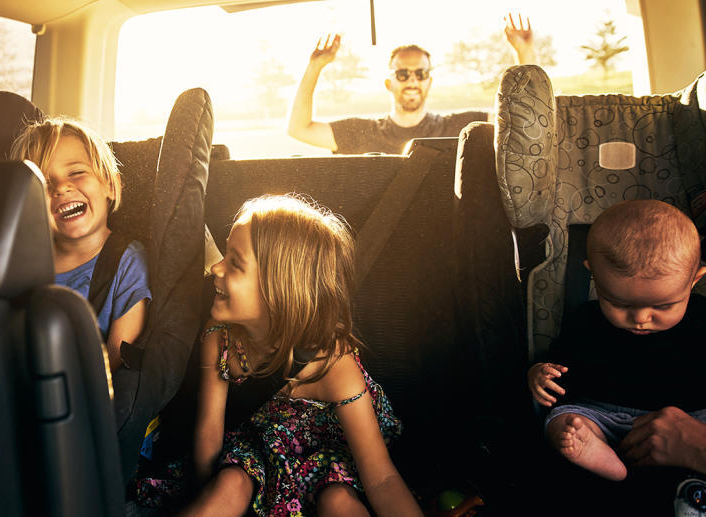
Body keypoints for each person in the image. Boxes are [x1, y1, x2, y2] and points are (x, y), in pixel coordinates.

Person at [179, 194, 422, 516]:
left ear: (278, 291)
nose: (216, 267)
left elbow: (381, 478)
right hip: (261, 448)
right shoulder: (219, 337)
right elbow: (209, 432)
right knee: (230, 484)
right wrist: (204, 493)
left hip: (331, 455)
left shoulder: (333, 363)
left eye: (235, 263)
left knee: (337, 500)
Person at [527, 200, 706, 482]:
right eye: (618, 303)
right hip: (603, 416)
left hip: (690, 420)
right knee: (563, 422)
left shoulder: (701, 321)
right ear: (593, 276)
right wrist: (540, 374)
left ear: (694, 281)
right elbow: (561, 366)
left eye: (663, 306)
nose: (641, 318)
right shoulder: (586, 320)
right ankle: (601, 458)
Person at [10, 116, 150, 372]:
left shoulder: (125, 261)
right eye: (43, 183)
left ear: (110, 184)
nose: (61, 187)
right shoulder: (19, 262)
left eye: (76, 173)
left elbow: (118, 357)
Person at [288, 14, 537, 154]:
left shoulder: (463, 127)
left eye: (420, 73)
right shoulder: (361, 133)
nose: (413, 81)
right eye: (403, 74)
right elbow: (299, 129)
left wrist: (525, 53)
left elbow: (525, 117)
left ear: (429, 82)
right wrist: (314, 66)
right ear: (388, 83)